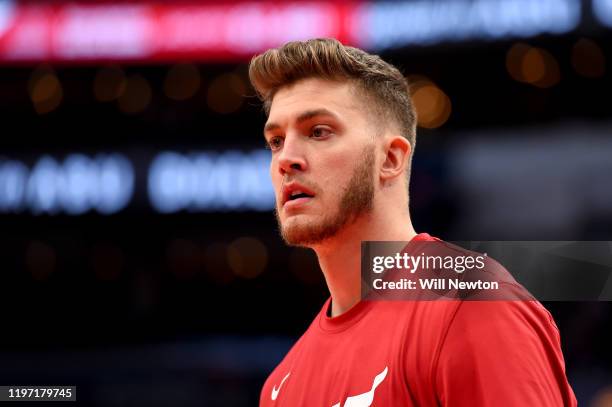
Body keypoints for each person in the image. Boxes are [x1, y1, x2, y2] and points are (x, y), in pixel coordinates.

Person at [249, 38, 576, 406]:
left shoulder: (469, 304)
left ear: (390, 159)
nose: (286, 159)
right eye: (276, 141)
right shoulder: (281, 387)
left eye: (318, 131)